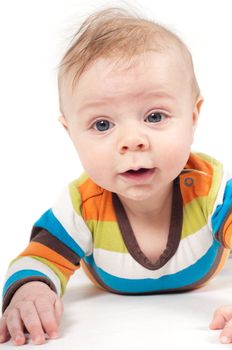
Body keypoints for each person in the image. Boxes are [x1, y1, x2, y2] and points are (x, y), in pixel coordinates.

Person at [0, 7, 232, 346]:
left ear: (193, 117)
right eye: (102, 124)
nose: (132, 140)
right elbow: (39, 257)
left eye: (155, 116)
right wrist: (30, 290)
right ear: (70, 133)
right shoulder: (83, 206)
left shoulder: (210, 190)